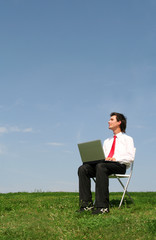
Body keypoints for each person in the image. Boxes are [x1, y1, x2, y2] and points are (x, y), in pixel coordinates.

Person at [77, 112, 135, 214]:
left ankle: (102, 207)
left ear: (119, 122)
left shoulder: (128, 139)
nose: (108, 121)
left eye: (112, 119)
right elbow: (102, 157)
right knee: (83, 168)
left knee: (101, 166)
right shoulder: (107, 141)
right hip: (103, 165)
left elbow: (130, 157)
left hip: (119, 165)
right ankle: (86, 205)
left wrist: (115, 158)